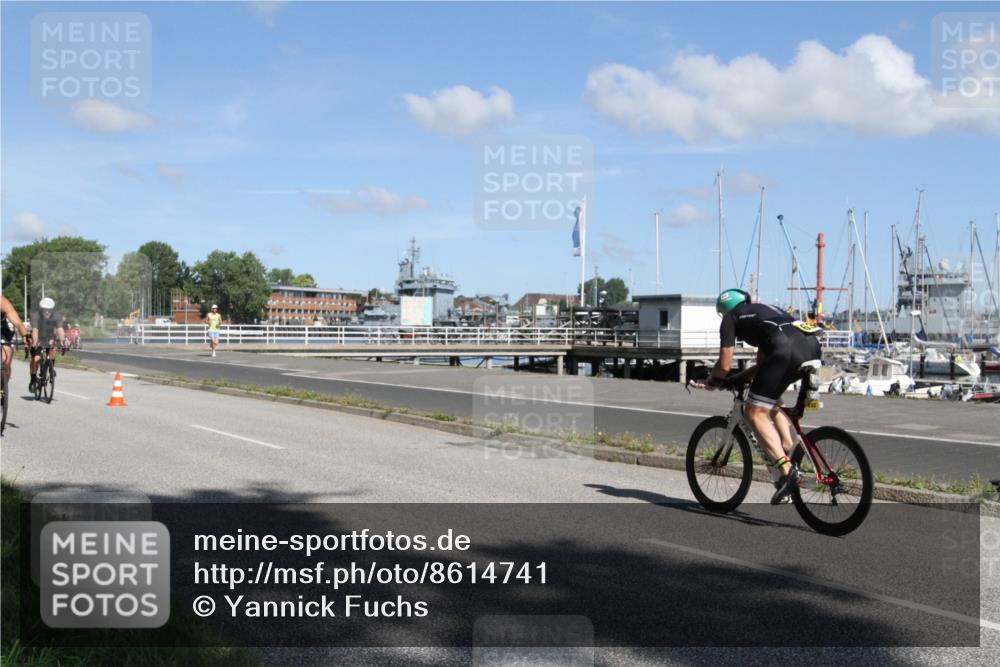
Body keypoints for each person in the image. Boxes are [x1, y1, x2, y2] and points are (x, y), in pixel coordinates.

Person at [708, 288, 822, 504]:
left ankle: (788, 472)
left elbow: (723, 366)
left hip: (786, 349)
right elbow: (763, 367)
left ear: (724, 311)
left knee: (754, 413)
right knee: (769, 399)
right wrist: (741, 376)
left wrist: (713, 380)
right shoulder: (766, 311)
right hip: (811, 345)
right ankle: (789, 446)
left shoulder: (731, 318)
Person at [29, 297, 65, 391]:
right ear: (41, 309)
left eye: (49, 310)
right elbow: (35, 330)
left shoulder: (57, 316)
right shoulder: (35, 315)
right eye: (45, 310)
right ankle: (33, 378)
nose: (47, 312)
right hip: (38, 337)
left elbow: (60, 330)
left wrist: (62, 341)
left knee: (53, 348)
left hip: (49, 337)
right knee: (36, 359)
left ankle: (50, 367)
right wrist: (35, 342)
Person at [1, 295, 30, 385]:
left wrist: (24, 335)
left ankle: (3, 386)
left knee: (5, 358)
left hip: (2, 331)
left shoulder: (2, 302)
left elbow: (17, 322)